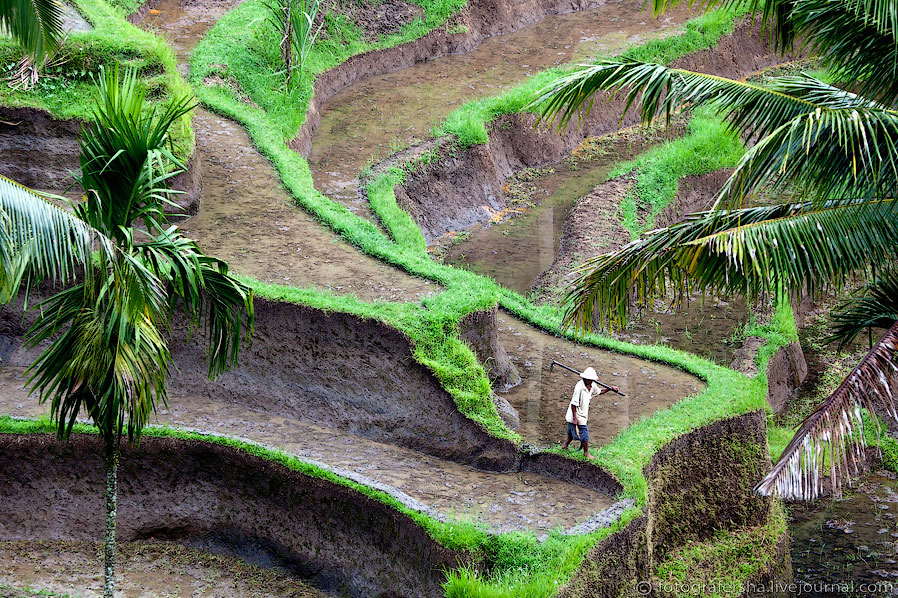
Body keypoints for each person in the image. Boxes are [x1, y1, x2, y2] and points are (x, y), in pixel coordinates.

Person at [561, 366, 619, 459]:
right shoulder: (579, 387)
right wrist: (575, 418)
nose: (590, 381)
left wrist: (610, 388)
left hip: (582, 414)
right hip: (576, 413)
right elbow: (573, 404)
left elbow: (599, 392)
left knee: (571, 433)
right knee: (584, 434)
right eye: (589, 380)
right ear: (584, 378)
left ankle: (565, 446)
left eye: (592, 380)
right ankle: (586, 453)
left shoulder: (592, 385)